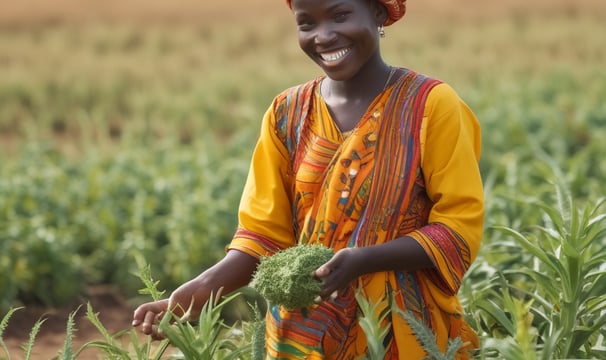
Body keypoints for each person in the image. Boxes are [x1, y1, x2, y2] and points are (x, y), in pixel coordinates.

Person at [132, 0, 484, 358]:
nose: (324, 36)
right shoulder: (287, 113)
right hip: (299, 338)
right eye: (306, 23)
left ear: (379, 12)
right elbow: (263, 235)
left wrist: (364, 259)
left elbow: (458, 228)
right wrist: (198, 290)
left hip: (404, 335)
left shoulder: (430, 106)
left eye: (340, 15)